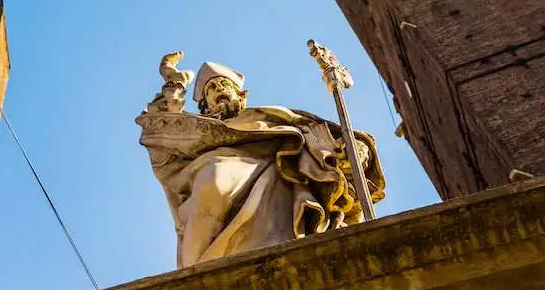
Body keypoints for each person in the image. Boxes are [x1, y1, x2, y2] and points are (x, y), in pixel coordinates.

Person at [137, 56, 385, 268]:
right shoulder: (196, 132)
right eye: (211, 89)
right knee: (212, 177)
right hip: (214, 173)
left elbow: (319, 130)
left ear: (240, 95)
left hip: (275, 169)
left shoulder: (269, 117)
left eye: (225, 85)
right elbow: (161, 133)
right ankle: (194, 272)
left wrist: (357, 146)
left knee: (215, 176)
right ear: (204, 106)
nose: (219, 90)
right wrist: (174, 85)